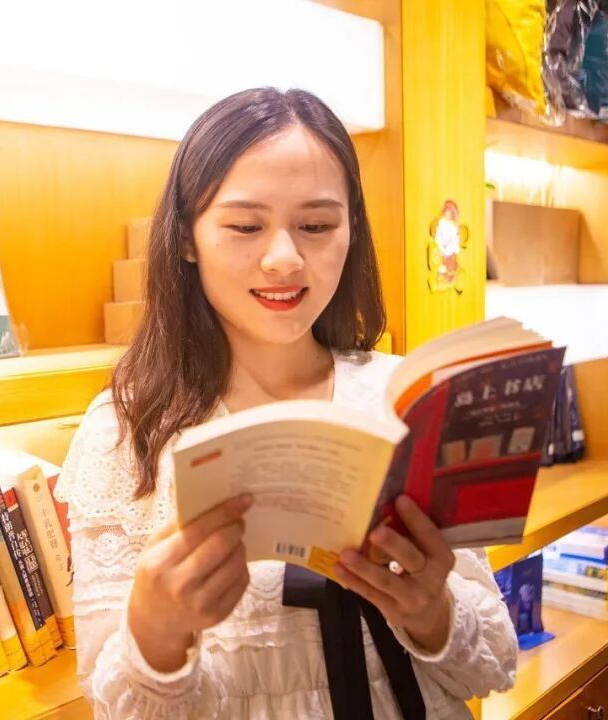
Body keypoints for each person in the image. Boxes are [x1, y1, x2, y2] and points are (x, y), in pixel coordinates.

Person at [56, 87, 517, 719]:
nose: (284, 259)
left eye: (317, 226)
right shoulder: (127, 430)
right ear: (186, 237)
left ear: (351, 230)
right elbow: (114, 707)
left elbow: (493, 663)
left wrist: (432, 611)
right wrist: (157, 631)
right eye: (246, 227)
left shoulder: (406, 400)